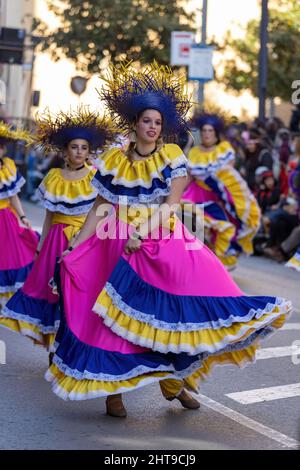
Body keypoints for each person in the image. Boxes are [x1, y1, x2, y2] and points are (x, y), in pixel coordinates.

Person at [46, 63, 291, 418]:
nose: (152, 127)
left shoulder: (172, 158)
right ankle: (113, 393)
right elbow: (101, 207)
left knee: (177, 310)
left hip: (161, 239)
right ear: (135, 125)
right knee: (112, 324)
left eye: (158, 123)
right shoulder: (114, 161)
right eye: (147, 121)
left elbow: (171, 206)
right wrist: (76, 245)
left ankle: (174, 382)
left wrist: (141, 234)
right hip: (115, 242)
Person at [0, 108, 115, 356]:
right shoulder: (53, 176)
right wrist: (42, 244)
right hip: (55, 238)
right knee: (49, 289)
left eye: (84, 148)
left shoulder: (95, 176)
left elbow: (103, 210)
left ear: (89, 151)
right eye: (74, 147)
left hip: (83, 239)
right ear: (65, 150)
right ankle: (54, 343)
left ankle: (75, 339)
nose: (79, 152)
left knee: (79, 290)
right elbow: (50, 213)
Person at [182, 112, 261, 270]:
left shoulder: (224, 149)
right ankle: (193, 263)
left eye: (210, 130)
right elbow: (188, 177)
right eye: (204, 130)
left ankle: (216, 263)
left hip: (219, 196)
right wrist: (175, 194)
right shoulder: (194, 152)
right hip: (196, 195)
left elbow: (228, 177)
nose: (206, 134)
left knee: (224, 226)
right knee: (193, 226)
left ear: (216, 133)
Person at [0, 121, 39, 311]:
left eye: (0, 147)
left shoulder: (7, 166)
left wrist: (23, 217)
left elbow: (12, 195)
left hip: (5, 219)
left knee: (8, 257)